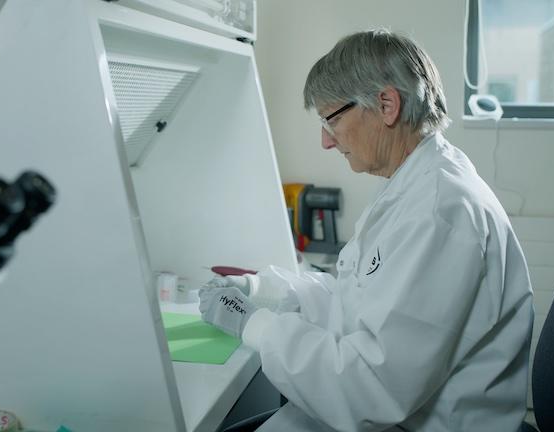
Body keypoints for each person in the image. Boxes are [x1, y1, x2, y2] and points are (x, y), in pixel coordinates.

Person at [199, 29, 534, 431]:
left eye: (330, 119)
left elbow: (371, 387)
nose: (325, 140)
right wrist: (262, 289)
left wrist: (254, 325)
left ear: (386, 104)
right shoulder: (412, 183)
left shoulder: (441, 212)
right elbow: (353, 298)